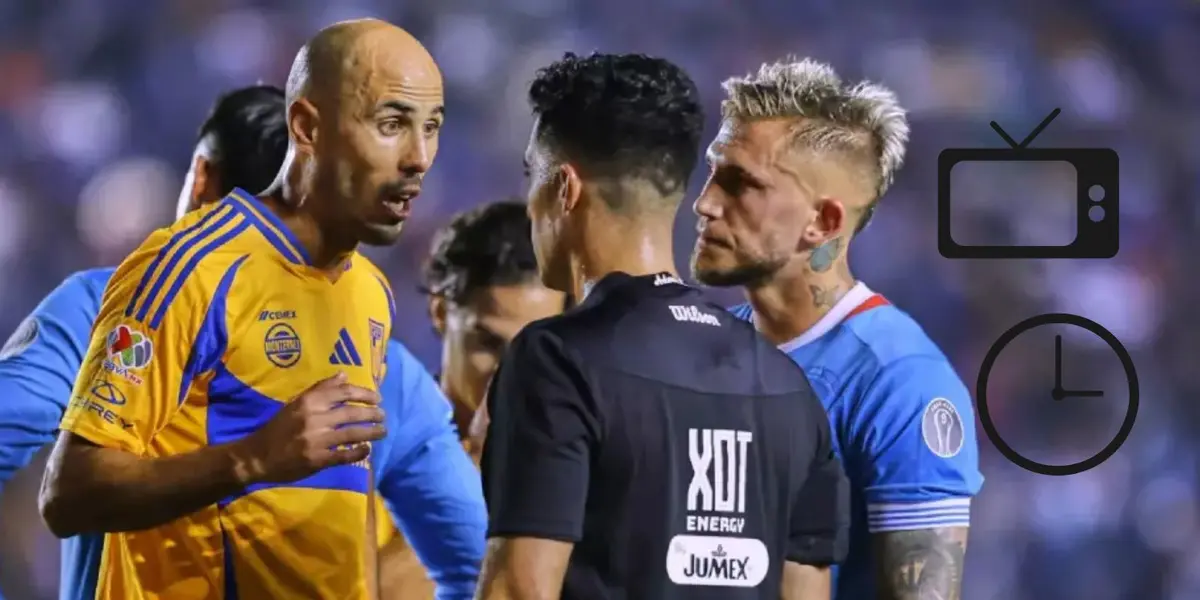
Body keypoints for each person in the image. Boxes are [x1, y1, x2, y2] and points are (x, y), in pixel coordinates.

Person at [36, 20, 479, 600]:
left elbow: (338, 509)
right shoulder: (193, 267)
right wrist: (252, 459)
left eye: (432, 128)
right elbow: (69, 494)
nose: (419, 158)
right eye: (392, 125)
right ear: (307, 127)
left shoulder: (370, 291)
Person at [475, 52, 850, 600]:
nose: (529, 204)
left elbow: (518, 589)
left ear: (564, 190)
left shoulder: (556, 360)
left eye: (533, 175)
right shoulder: (789, 388)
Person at [689, 57, 983, 600]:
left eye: (741, 184)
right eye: (712, 173)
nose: (705, 203)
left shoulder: (900, 382)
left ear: (822, 222)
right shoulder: (703, 348)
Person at [421, 199, 569, 455]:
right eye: (489, 343)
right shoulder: (383, 438)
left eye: (534, 348)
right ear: (440, 313)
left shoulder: (579, 450)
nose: (509, 374)